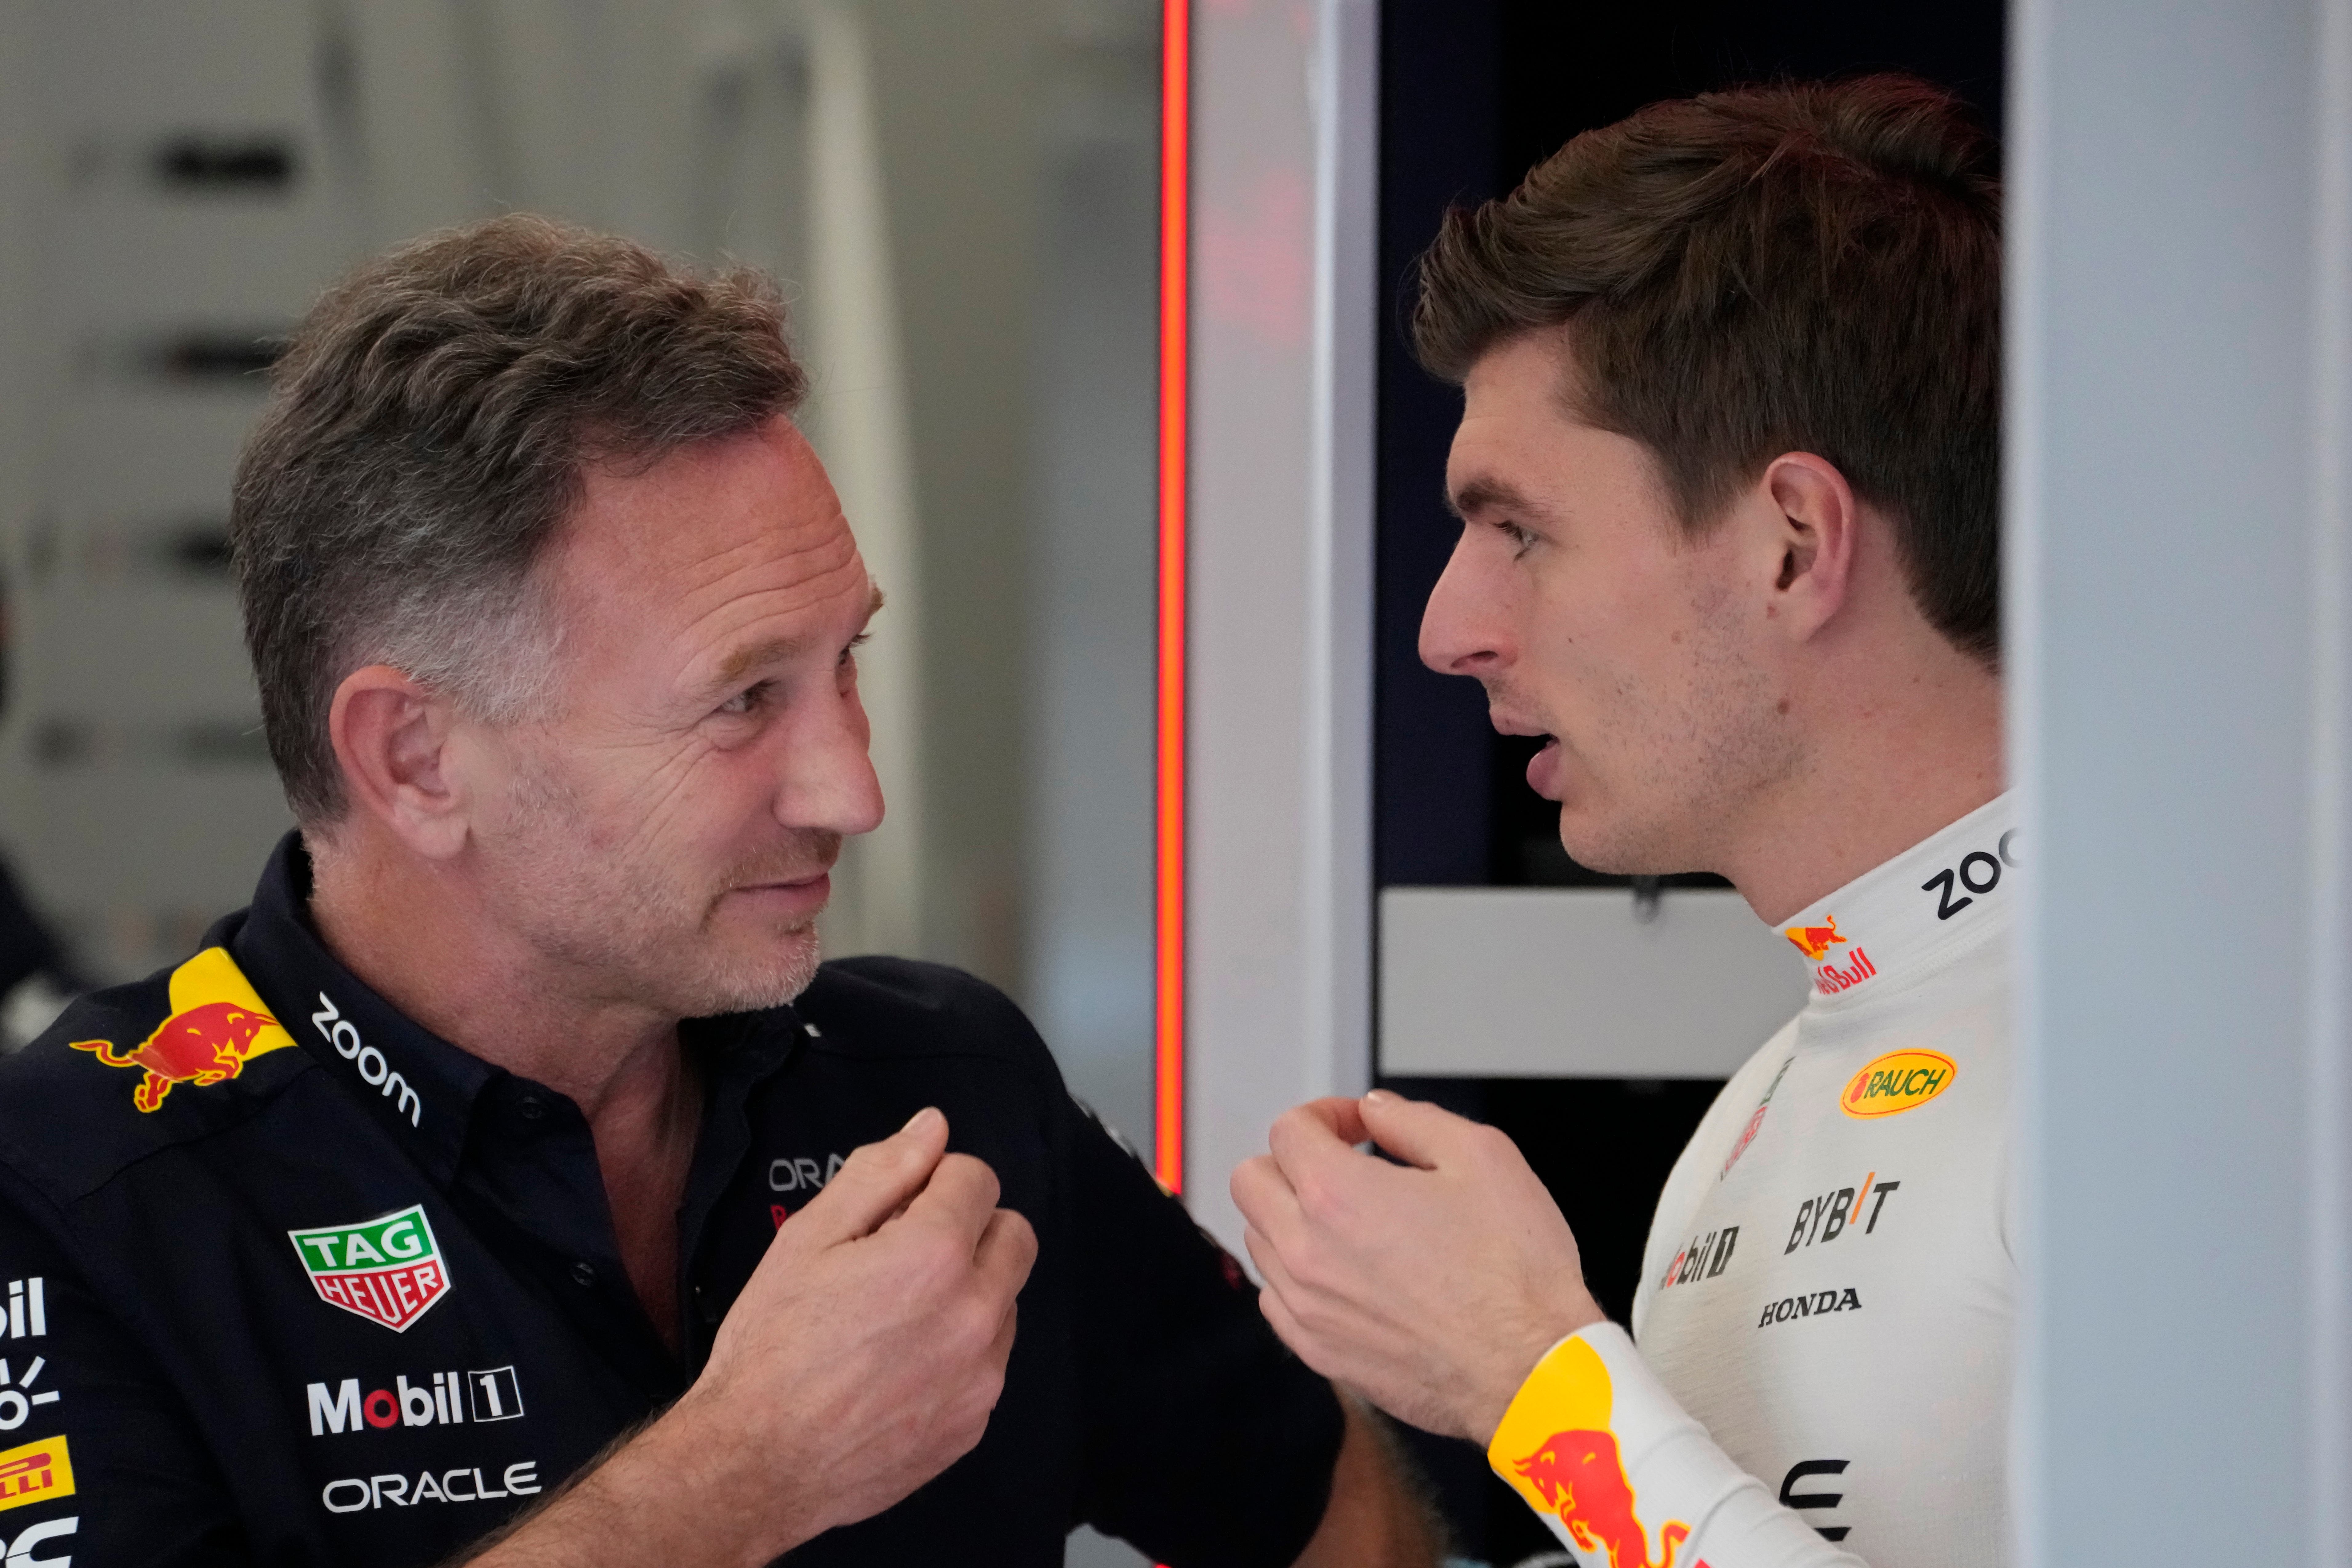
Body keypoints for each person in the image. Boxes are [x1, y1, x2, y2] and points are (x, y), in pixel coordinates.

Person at [0, 216, 1438, 1567]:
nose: (852, 790)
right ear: (416, 756)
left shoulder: (943, 1089)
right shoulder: (77, 1190)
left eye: (847, 664)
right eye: (746, 697)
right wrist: (739, 1477)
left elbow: (1328, 1508)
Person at [1232, 77, 2007, 1568]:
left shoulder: (2207, 1078)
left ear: (1794, 545)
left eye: (1520, 528)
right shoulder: (1772, 1096)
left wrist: (1534, 1381)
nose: (1449, 628)